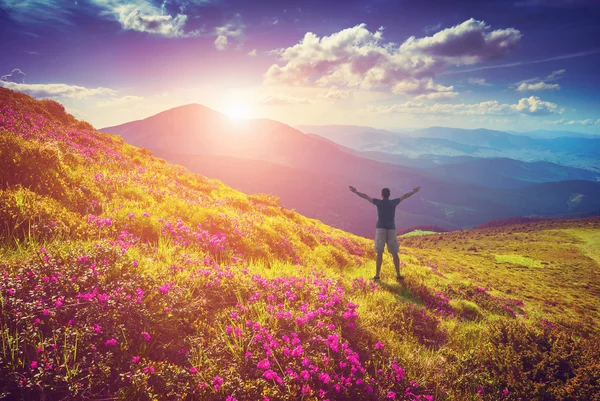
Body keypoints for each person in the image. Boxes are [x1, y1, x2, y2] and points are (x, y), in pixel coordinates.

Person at [349, 185, 421, 282]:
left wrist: (355, 191)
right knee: (395, 253)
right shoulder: (393, 202)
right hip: (391, 229)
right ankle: (398, 275)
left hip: (380, 229)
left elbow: (366, 196)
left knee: (379, 253)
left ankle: (377, 276)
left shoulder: (378, 202)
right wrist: (414, 192)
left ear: (381, 195)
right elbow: (404, 196)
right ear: (389, 195)